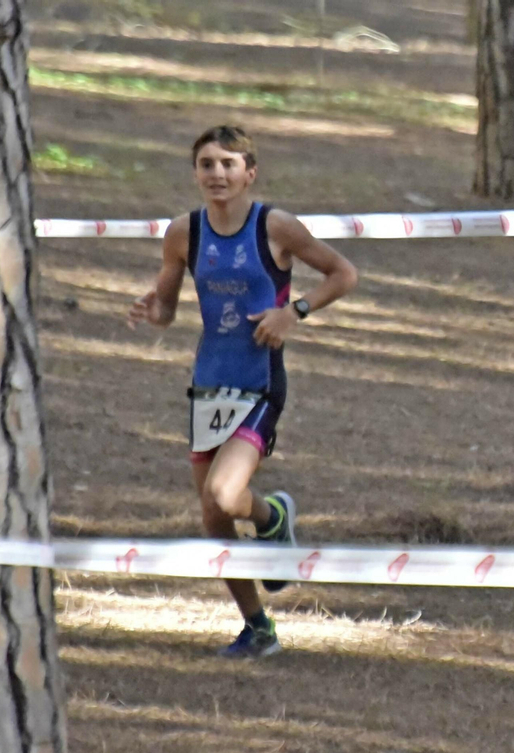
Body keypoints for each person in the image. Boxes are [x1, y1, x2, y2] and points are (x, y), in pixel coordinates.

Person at [128, 125, 358, 657]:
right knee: (213, 516)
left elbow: (343, 274)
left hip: (259, 380)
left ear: (249, 173)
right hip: (209, 380)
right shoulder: (184, 233)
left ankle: (274, 517)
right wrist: (151, 310)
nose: (217, 174)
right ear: (195, 173)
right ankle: (258, 627)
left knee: (227, 496)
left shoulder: (273, 226)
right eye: (206, 164)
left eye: (228, 164)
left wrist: (292, 312)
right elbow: (167, 308)